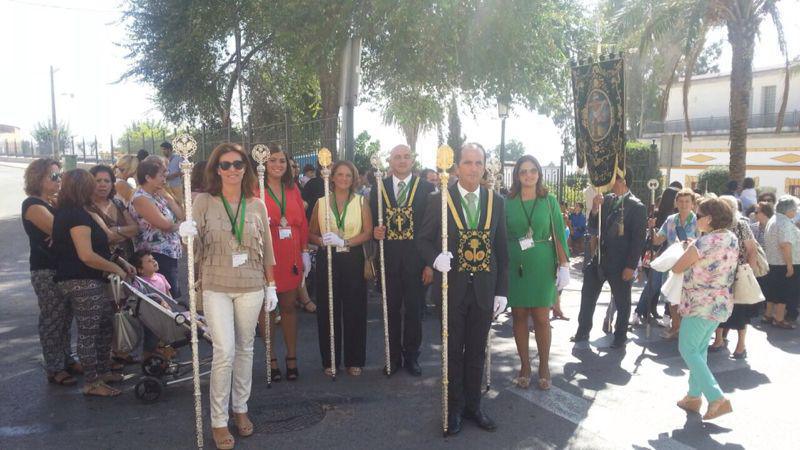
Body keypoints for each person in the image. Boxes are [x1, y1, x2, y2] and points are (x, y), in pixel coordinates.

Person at [180, 143, 278, 449]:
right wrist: (185, 236)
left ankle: (241, 407)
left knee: (246, 349)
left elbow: (268, 249)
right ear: (216, 169)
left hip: (251, 285)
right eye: (225, 165)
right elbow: (193, 252)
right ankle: (218, 421)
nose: (232, 169)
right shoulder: (204, 202)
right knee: (225, 350)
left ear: (246, 168)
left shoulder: (257, 205)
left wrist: (271, 284)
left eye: (238, 164)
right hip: (215, 285)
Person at [418, 143, 509, 435]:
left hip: (483, 290)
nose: (473, 168)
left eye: (478, 163)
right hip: (451, 289)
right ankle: (453, 408)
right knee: (453, 352)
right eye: (467, 162)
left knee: (477, 353)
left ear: (484, 167)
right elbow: (422, 240)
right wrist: (435, 258)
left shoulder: (497, 201)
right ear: (457, 167)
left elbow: (502, 251)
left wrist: (502, 291)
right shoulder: (439, 199)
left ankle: (474, 406)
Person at [52, 169, 131, 396]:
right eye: (91, 184)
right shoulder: (75, 215)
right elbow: (86, 254)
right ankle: (92, 382)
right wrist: (115, 268)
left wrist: (120, 261)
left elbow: (99, 247)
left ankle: (103, 370)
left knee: (105, 323)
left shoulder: (78, 212)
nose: (97, 187)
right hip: (81, 280)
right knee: (89, 331)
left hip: (88, 278)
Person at [505, 155, 569, 391]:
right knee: (519, 315)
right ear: (517, 175)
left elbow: (559, 233)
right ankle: (524, 366)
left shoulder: (549, 200)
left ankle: (543, 365)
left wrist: (564, 265)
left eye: (533, 171)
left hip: (542, 262)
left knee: (542, 318)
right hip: (516, 263)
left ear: (539, 174)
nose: (528, 175)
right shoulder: (508, 201)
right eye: (523, 171)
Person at [371, 144, 435, 376]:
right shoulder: (379, 188)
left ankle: (412, 357)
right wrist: (374, 232)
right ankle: (393, 357)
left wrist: (430, 263)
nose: (401, 161)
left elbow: (434, 229)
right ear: (390, 160)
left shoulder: (427, 188)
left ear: (412, 160)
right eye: (397, 157)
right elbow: (371, 224)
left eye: (406, 157)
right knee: (391, 310)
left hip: (417, 262)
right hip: (389, 261)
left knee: (414, 311)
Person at [671, 197, 737, 420]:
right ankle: (693, 396)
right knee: (699, 350)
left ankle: (716, 397)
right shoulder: (730, 238)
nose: (695, 218)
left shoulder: (703, 243)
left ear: (709, 219)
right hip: (720, 303)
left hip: (699, 303)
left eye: (698, 215)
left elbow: (678, 266)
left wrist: (688, 247)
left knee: (688, 349)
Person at [309, 160, 373, 377]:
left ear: (353, 178)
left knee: (355, 309)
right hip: (328, 259)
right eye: (340, 174)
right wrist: (322, 241)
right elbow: (311, 233)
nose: (344, 179)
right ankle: (330, 359)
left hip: (353, 258)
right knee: (328, 310)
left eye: (348, 175)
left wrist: (344, 242)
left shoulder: (361, 202)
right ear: (332, 176)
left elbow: (367, 231)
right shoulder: (321, 202)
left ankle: (355, 359)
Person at [22, 158, 82, 386]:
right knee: (52, 319)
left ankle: (67, 358)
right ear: (39, 178)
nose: (59, 180)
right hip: (46, 269)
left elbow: (64, 233)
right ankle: (54, 367)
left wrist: (62, 234)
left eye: (60, 175)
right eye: (54, 176)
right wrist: (62, 233)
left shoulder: (52, 203)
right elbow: (64, 233)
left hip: (62, 267)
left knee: (66, 317)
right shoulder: (33, 205)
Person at [572, 170, 647, 348]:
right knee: (587, 294)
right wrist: (595, 209)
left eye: (614, 179)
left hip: (621, 263)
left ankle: (620, 336)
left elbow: (638, 240)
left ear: (623, 181)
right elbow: (593, 226)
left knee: (622, 302)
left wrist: (630, 266)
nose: (610, 182)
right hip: (600, 259)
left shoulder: (637, 206)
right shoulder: (608, 200)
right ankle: (582, 332)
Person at [258, 144, 312, 382]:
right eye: (272, 160)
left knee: (289, 305)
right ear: (263, 163)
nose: (278, 165)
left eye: (281, 161)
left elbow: (302, 223)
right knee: (267, 308)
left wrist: (304, 251)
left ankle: (292, 356)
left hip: (290, 253)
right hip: (266, 254)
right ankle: (270, 358)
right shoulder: (254, 189)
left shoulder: (293, 190)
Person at [711, 196, 759, 358]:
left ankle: (740, 345)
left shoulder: (741, 224)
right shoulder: (715, 225)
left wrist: (749, 272)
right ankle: (718, 339)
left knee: (739, 311)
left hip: (738, 273)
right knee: (719, 306)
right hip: (719, 274)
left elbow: (751, 249)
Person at [129, 157, 184, 299]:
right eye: (161, 175)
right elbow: (165, 225)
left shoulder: (158, 193)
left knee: (171, 294)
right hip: (156, 254)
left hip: (169, 252)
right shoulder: (141, 198)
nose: (165, 178)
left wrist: (169, 198)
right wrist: (179, 226)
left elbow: (181, 214)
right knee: (164, 298)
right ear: (148, 177)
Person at [650, 189, 697, 338]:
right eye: (681, 201)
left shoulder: (698, 221)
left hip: (691, 266)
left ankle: (684, 329)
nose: (683, 205)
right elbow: (657, 240)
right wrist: (651, 228)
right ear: (676, 203)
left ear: (693, 204)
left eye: (687, 201)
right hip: (673, 264)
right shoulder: (671, 220)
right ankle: (676, 327)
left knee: (687, 298)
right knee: (672, 298)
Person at [634, 186, 682, 324]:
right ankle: (645, 312)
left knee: (659, 286)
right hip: (661, 256)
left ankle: (643, 312)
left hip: (668, 256)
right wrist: (651, 227)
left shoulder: (674, 215)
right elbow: (656, 238)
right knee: (656, 285)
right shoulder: (665, 217)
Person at [763, 195, 800, 328]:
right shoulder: (784, 222)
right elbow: (785, 244)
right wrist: (790, 266)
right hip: (784, 263)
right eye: (795, 209)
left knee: (773, 291)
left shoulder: (774, 219)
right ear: (788, 210)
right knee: (784, 291)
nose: (796, 212)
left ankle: (768, 315)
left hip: (773, 262)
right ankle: (778, 318)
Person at [89, 165, 139, 262]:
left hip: (128, 258)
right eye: (98, 181)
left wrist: (117, 230)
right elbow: (106, 238)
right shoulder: (87, 207)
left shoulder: (117, 203)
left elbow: (135, 229)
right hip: (103, 261)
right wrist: (126, 233)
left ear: (112, 184)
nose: (103, 184)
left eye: (107, 181)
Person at [160, 141, 184, 207]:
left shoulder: (178, 158)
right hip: (166, 186)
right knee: (168, 205)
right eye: (162, 149)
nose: (163, 151)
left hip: (176, 185)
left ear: (170, 149)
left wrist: (174, 175)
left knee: (179, 204)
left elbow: (184, 171)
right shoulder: (162, 160)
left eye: (164, 149)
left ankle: (181, 216)